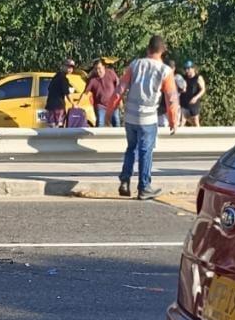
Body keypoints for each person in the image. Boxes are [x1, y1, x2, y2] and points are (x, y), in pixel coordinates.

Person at [114, 35, 179, 200]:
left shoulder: (135, 64)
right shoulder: (165, 71)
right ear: (162, 51)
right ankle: (144, 187)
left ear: (148, 49)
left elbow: (120, 89)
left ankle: (124, 181)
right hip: (148, 118)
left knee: (131, 148)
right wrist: (173, 120)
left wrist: (110, 111)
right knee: (145, 152)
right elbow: (171, 99)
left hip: (130, 117)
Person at [83, 58, 120, 128]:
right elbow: (85, 93)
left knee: (117, 122)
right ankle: (98, 139)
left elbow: (118, 86)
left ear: (104, 67)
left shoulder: (111, 73)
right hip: (100, 106)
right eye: (95, 69)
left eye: (99, 68)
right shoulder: (92, 79)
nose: (98, 71)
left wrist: (119, 99)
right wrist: (78, 103)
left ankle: (119, 139)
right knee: (100, 123)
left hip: (113, 104)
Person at [45, 58, 75, 127]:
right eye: (68, 66)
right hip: (58, 108)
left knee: (50, 129)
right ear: (63, 66)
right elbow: (67, 93)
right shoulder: (63, 79)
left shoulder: (56, 76)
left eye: (72, 67)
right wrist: (73, 104)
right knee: (59, 130)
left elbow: (49, 88)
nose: (70, 69)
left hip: (50, 106)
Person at [179, 60, 206, 127]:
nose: (187, 70)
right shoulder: (183, 78)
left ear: (193, 68)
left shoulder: (198, 78)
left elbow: (203, 89)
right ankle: (179, 137)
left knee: (196, 122)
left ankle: (199, 136)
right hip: (184, 103)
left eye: (188, 68)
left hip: (193, 103)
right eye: (185, 69)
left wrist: (196, 98)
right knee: (182, 122)